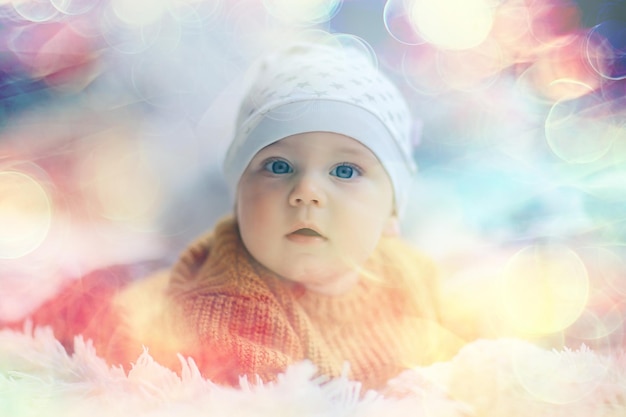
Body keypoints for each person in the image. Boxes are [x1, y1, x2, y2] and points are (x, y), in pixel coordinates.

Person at [9, 39, 461, 391]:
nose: (306, 192)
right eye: (278, 166)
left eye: (345, 170)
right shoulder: (229, 300)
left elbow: (450, 343)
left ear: (392, 213)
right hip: (117, 300)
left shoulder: (411, 276)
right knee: (40, 323)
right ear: (240, 198)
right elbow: (256, 394)